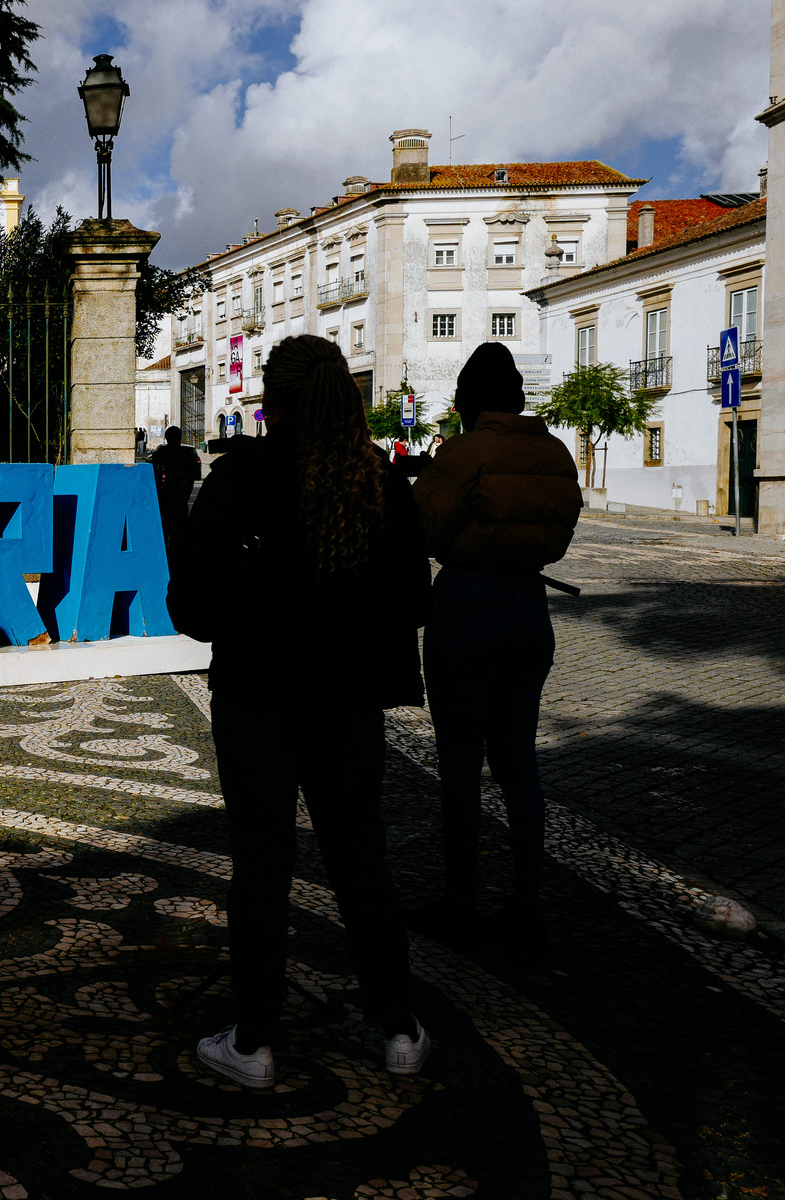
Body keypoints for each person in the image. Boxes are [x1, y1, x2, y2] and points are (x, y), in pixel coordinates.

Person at [169, 334, 434, 1089]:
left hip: (258, 700)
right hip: (349, 706)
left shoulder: (241, 479)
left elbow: (189, 606)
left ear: (270, 398)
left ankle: (253, 1043)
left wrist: (250, 609)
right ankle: (400, 1028)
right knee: (360, 860)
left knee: (262, 864)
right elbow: (415, 600)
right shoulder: (381, 483)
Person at [410, 342, 581, 950]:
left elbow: (422, 527)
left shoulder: (466, 452)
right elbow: (559, 535)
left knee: (459, 760)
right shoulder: (557, 453)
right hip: (529, 609)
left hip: (467, 605)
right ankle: (526, 904)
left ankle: (461, 901)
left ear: (469, 402)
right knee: (518, 761)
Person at [149, 425, 202, 546]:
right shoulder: (186, 454)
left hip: (162, 499)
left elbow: (154, 475)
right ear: (180, 438)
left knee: (162, 532)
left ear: (166, 438)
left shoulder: (160, 453)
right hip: (180, 500)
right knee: (178, 534)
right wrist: (186, 496)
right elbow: (191, 477)